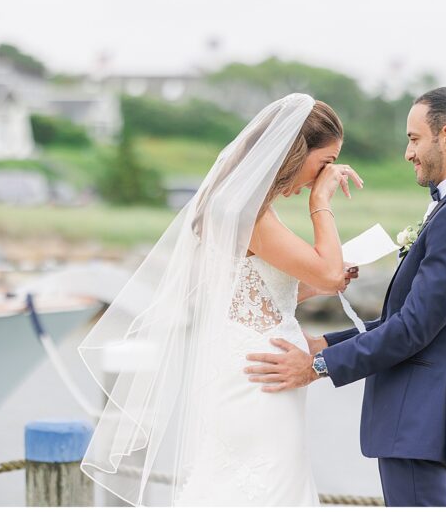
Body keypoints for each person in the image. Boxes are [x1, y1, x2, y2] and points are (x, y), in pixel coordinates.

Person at [79, 93, 362, 506]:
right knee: (263, 488)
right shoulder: (247, 213)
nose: (327, 174)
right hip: (259, 376)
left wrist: (316, 286)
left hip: (260, 369)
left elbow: (262, 295)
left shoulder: (246, 207)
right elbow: (330, 272)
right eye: (324, 163)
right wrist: (321, 203)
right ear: (293, 152)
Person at [244, 86, 446, 506]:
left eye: (413, 138)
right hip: (418, 419)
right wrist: (327, 343)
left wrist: (315, 366)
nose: (408, 153)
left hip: (418, 417)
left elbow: (413, 329)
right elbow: (411, 318)